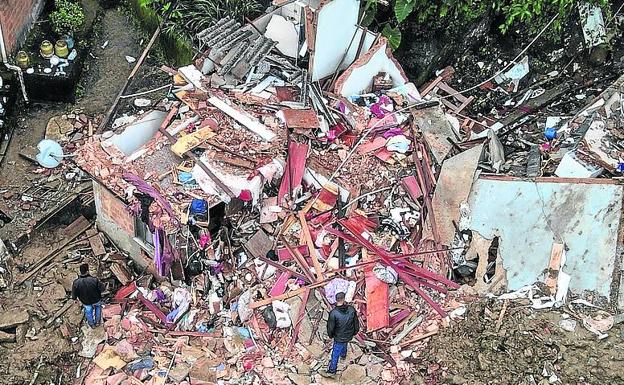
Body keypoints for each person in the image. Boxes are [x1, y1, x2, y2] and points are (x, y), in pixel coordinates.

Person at [321, 291, 360, 377]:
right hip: (349, 335)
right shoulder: (351, 309)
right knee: (345, 344)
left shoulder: (334, 313)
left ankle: (332, 370)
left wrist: (331, 335)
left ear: (336, 300)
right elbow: (356, 323)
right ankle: (343, 355)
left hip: (339, 337)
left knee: (335, 354)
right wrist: (355, 332)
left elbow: (330, 327)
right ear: (344, 298)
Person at [71, 263, 105, 327]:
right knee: (98, 308)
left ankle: (92, 324)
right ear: (87, 271)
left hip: (85, 301)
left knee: (89, 312)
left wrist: (75, 299)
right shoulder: (94, 280)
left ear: (80, 272)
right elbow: (102, 289)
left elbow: (74, 294)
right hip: (96, 299)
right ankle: (97, 322)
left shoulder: (76, 283)